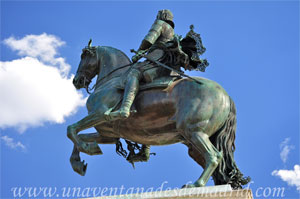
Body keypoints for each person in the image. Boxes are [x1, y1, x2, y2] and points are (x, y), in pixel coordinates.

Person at [108, 9, 189, 121]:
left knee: (135, 72)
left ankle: (125, 108)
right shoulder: (171, 32)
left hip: (158, 57)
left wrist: (139, 52)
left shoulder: (160, 24)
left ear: (161, 16)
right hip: (167, 62)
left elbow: (149, 39)